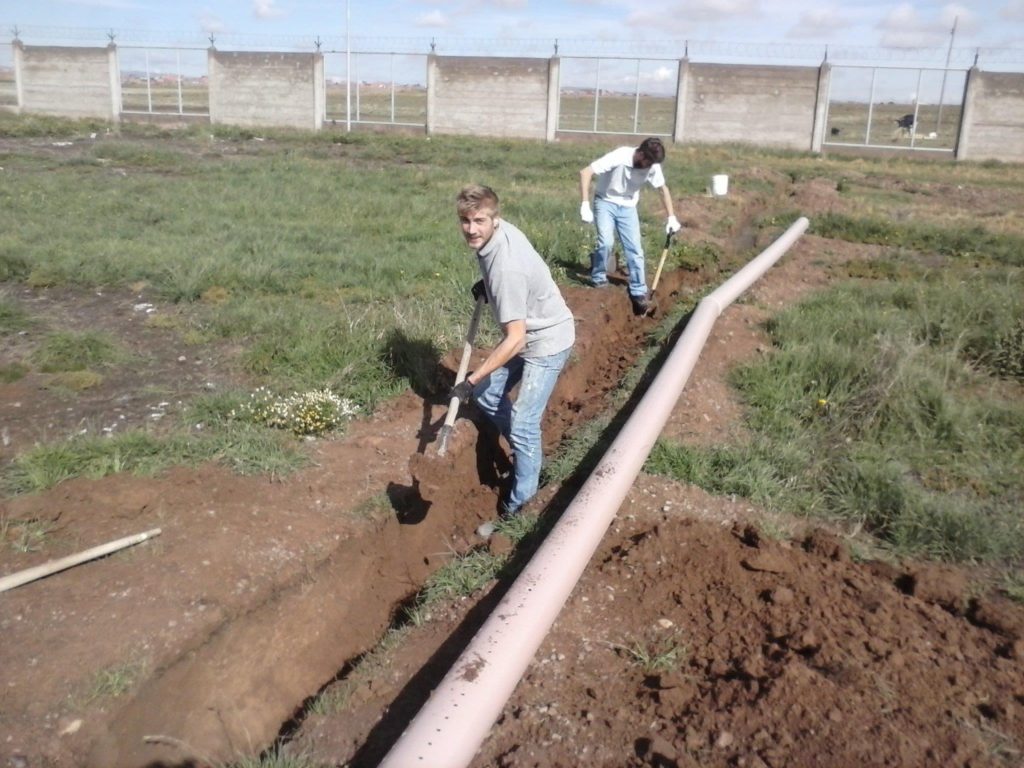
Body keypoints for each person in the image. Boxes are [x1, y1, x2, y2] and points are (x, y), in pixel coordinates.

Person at [449, 184, 576, 537]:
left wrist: (471, 379)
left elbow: (515, 338)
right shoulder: (496, 239)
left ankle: (519, 514)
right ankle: (529, 454)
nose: (471, 229)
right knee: (491, 397)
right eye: (464, 220)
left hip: (547, 340)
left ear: (495, 218)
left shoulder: (506, 269)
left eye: (479, 220)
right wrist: (486, 285)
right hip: (531, 331)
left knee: (521, 422)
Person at [579, 136, 681, 315]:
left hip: (628, 207)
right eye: (647, 161)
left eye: (652, 163)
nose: (649, 166)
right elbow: (585, 172)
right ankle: (598, 277)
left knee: (635, 249)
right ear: (640, 153)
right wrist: (585, 204)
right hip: (606, 201)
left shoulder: (652, 166)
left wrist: (671, 217)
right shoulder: (620, 156)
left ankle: (639, 291)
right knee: (606, 242)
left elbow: (662, 189)